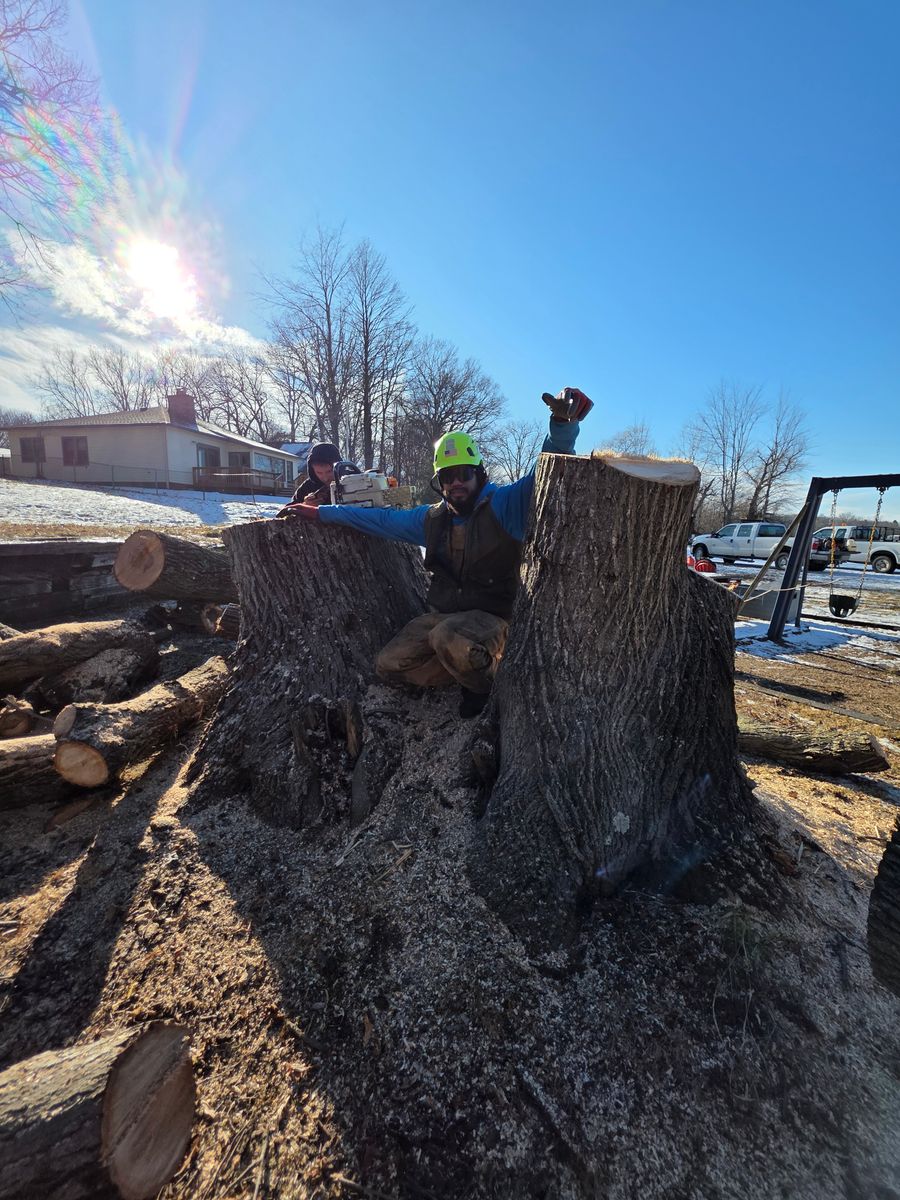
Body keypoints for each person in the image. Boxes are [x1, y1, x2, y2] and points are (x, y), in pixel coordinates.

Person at [283, 388, 592, 717]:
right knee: (388, 664)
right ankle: (466, 665)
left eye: (464, 474)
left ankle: (484, 685)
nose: (456, 483)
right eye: (447, 476)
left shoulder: (505, 505)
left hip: (494, 618)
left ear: (479, 473)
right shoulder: (432, 519)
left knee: (447, 638)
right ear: (439, 482)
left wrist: (561, 426)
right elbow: (380, 519)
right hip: (445, 616)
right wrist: (322, 513)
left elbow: (542, 474)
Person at [276, 442, 342, 516]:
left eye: (329, 471)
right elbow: (283, 514)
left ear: (338, 467)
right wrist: (305, 505)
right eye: (319, 473)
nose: (325, 478)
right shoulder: (307, 487)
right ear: (312, 470)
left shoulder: (351, 482)